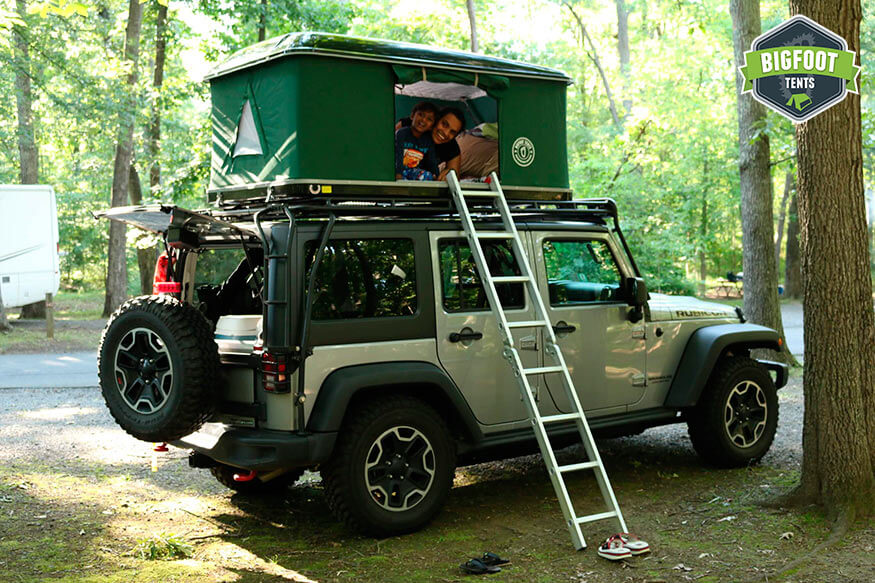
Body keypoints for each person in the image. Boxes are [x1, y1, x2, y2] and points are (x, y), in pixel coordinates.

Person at [396, 106, 466, 181]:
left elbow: (454, 178)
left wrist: (449, 175)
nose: (446, 133)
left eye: (452, 132)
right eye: (444, 124)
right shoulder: (412, 123)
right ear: (436, 119)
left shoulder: (452, 147)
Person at [395, 102, 440, 181]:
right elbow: (398, 154)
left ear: (431, 126)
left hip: (414, 172)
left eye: (429, 119)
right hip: (397, 170)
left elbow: (432, 161)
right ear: (412, 116)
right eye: (421, 115)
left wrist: (436, 175)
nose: (423, 120)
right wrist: (398, 173)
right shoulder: (401, 133)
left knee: (427, 176)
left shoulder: (428, 140)